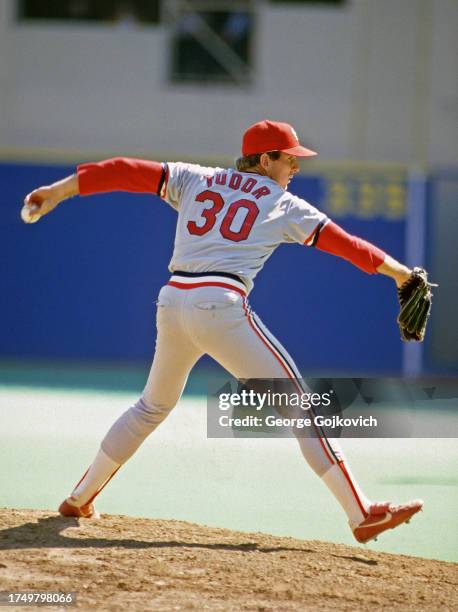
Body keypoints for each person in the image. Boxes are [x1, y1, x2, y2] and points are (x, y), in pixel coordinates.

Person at [23, 119, 423, 544]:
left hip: (173, 302)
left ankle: (81, 497)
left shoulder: (196, 178)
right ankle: (361, 515)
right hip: (220, 305)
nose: (295, 168)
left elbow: (124, 169)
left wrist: (58, 191)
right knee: (302, 408)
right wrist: (401, 275)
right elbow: (348, 245)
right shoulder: (284, 204)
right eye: (289, 159)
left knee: (151, 407)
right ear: (266, 159)